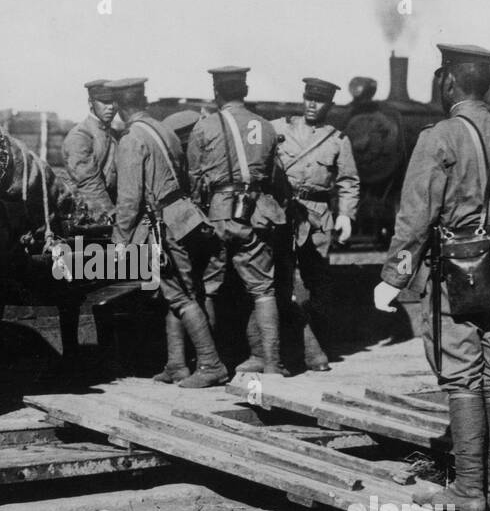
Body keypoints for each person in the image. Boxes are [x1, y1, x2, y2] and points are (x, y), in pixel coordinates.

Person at [373, 44, 490, 511]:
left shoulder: (440, 137)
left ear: (448, 82)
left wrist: (394, 277)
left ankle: (469, 492)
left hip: (457, 271)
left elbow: (415, 215)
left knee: (462, 375)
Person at [109, 77, 224, 387]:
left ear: (119, 106)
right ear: (143, 100)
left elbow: (129, 199)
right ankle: (176, 365)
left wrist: (120, 242)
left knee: (179, 296)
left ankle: (211, 365)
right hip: (185, 218)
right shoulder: (165, 130)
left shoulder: (131, 139)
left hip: (162, 225)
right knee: (179, 293)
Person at [188, 66, 286, 376]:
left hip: (219, 211)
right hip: (257, 211)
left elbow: (195, 179)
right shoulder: (265, 126)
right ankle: (271, 362)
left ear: (216, 92)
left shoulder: (205, 126)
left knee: (208, 287)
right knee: (263, 289)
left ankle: (209, 363)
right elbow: (274, 176)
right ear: (245, 90)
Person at [271, 78, 361, 371]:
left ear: (330, 105)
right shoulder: (278, 129)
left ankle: (319, 346)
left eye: (319, 100)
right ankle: (289, 349)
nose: (312, 104)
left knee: (317, 283)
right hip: (283, 213)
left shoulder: (337, 140)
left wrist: (346, 215)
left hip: (318, 216)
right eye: (309, 98)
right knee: (281, 280)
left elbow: (348, 181)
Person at [61, 79, 119, 218]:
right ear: (90, 103)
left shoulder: (114, 134)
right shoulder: (80, 136)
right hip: (86, 214)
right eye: (105, 102)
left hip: (112, 207)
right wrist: (111, 215)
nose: (111, 107)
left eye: (114, 102)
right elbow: (88, 183)